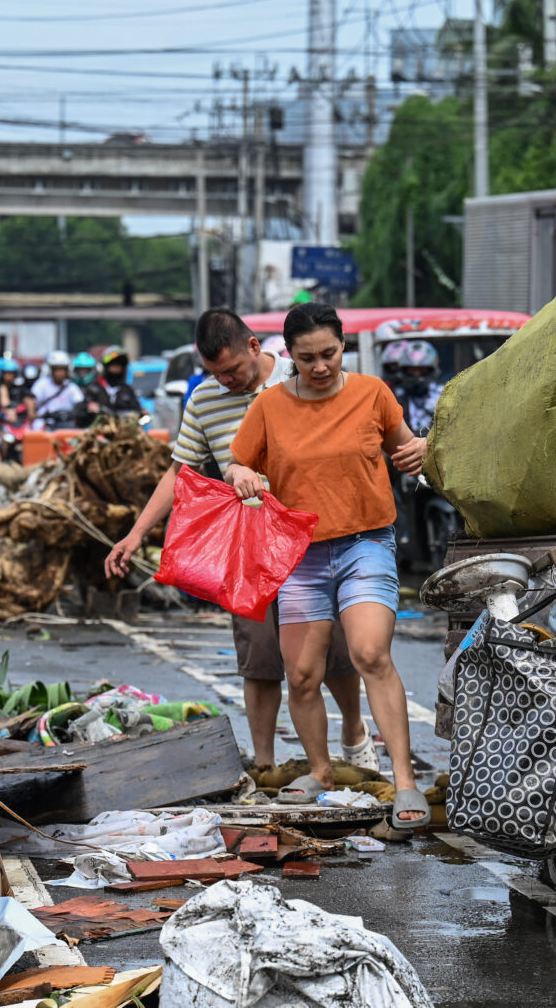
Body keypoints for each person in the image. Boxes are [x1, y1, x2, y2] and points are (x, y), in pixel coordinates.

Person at [105, 309, 377, 771]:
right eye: (215, 373)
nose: (225, 380)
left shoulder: (301, 377)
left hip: (311, 536)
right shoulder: (205, 399)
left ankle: (353, 733)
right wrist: (135, 534)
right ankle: (266, 764)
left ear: (255, 347)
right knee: (259, 655)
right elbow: (182, 471)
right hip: (249, 544)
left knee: (332, 653)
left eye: (231, 369)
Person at [226, 302, 430, 828]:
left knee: (369, 653)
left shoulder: (372, 394)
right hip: (301, 554)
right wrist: (242, 474)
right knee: (301, 673)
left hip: (366, 543)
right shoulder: (270, 406)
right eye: (307, 358)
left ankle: (405, 783)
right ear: (288, 356)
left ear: (343, 346)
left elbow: (406, 447)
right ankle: (321, 771)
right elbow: (237, 460)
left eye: (329, 354)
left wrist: (422, 451)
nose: (320, 367)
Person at [77, 346, 143, 423]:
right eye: (113, 366)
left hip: (123, 431)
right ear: (106, 367)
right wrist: (91, 409)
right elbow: (81, 414)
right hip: (98, 431)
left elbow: (136, 412)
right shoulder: (94, 388)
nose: (116, 369)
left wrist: (141, 414)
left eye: (119, 366)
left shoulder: (127, 390)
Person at [394, 340, 443, 436]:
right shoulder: (396, 395)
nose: (417, 374)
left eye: (421, 370)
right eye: (412, 370)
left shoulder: (443, 393)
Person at [32, 351, 84, 429]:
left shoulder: (71, 387)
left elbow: (80, 402)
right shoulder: (42, 384)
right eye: (57, 369)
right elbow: (32, 399)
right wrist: (32, 413)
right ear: (51, 370)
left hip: (67, 422)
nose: (60, 373)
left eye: (62, 369)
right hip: (46, 422)